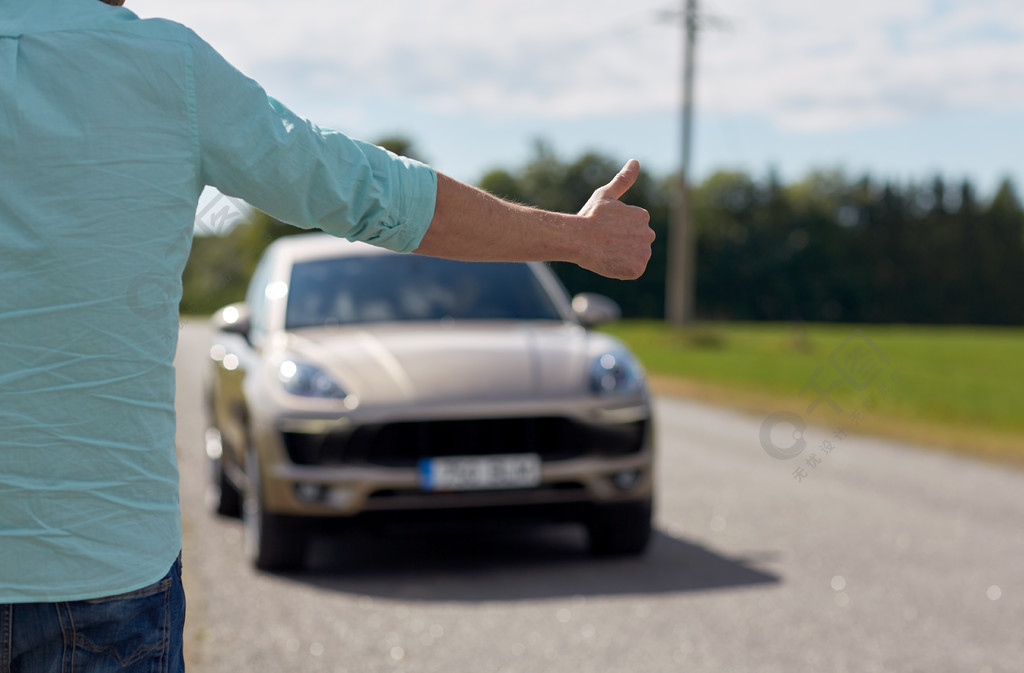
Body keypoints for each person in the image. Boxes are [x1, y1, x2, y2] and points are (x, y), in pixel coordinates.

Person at [0, 0, 653, 671]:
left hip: (106, 571)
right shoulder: (168, 69)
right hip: (101, 568)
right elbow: (371, 192)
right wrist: (573, 237)